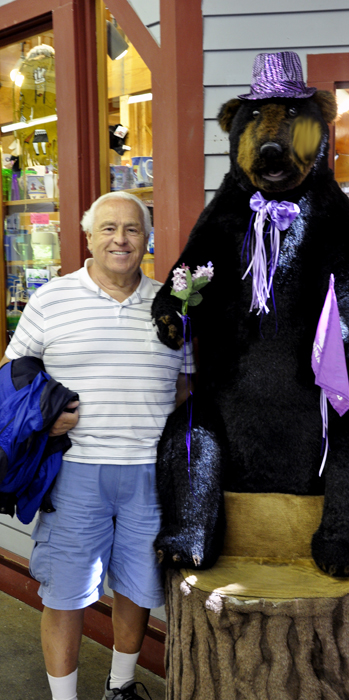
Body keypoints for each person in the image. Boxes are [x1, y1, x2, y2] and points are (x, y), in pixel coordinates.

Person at [0, 191, 194, 700]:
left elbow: (186, 383)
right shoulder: (52, 298)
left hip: (148, 473)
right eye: (108, 228)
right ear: (87, 236)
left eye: (132, 229)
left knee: (136, 588)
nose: (121, 239)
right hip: (75, 471)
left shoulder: (169, 307)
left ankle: (121, 687)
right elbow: (13, 377)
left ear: (147, 240)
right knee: (65, 594)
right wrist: (45, 418)